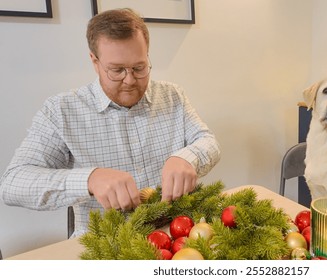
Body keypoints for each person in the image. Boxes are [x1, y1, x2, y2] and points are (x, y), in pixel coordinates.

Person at [0, 8, 220, 237]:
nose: (130, 80)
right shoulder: (61, 111)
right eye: (117, 70)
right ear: (95, 61)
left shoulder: (173, 95)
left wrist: (186, 158)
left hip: (173, 239)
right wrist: (89, 179)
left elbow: (208, 141)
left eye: (139, 67)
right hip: (105, 246)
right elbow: (13, 183)